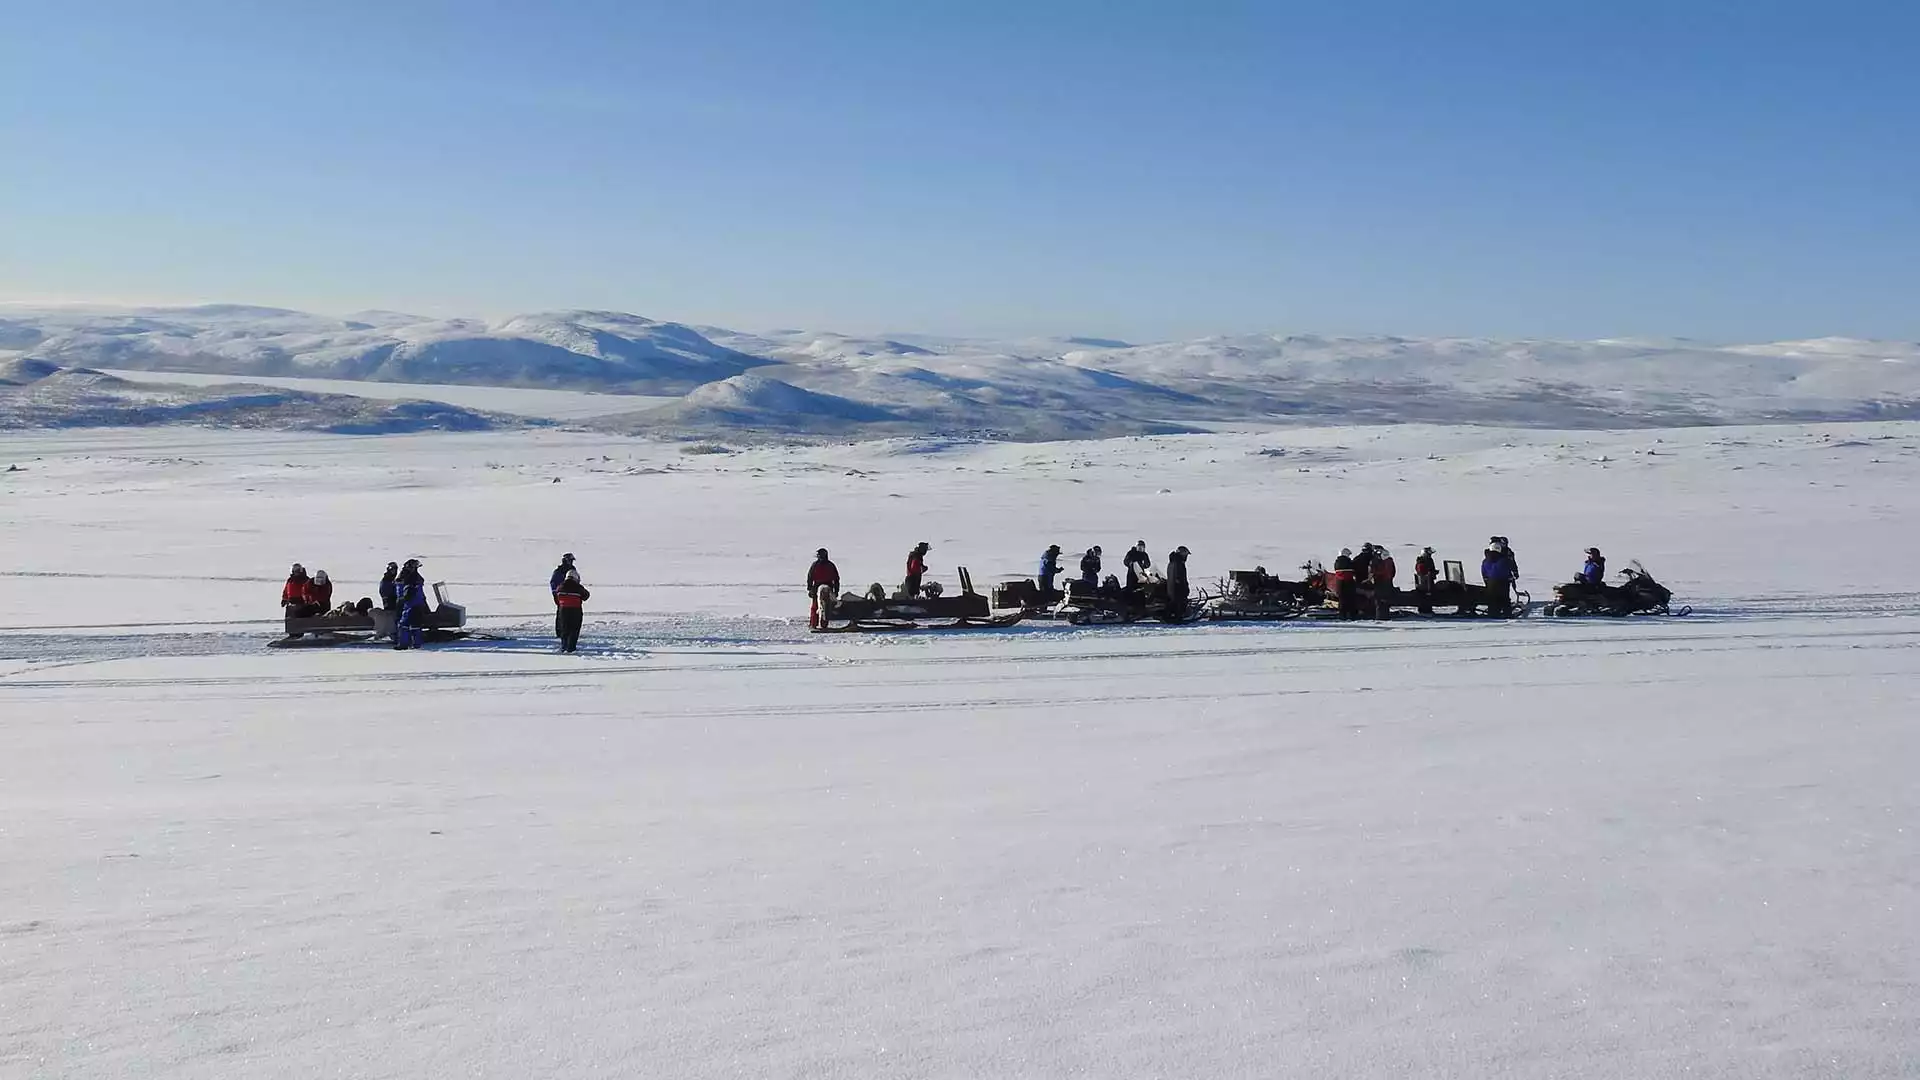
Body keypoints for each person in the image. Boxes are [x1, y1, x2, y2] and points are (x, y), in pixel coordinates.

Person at [394, 558, 429, 650]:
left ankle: (406, 644)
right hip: (413, 604)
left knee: (406, 624)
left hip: (411, 604)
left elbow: (407, 592)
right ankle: (413, 644)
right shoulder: (410, 577)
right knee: (412, 624)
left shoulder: (412, 578)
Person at [554, 568, 590, 653]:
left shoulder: (560, 586)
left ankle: (564, 646)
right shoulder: (578, 587)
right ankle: (571, 647)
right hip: (575, 610)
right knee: (574, 629)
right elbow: (586, 596)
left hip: (563, 610)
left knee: (564, 628)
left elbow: (556, 597)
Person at [806, 548, 840, 630]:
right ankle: (823, 624)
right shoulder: (831, 565)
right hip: (827, 587)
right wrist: (836, 590)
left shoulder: (815, 565)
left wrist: (810, 588)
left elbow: (810, 577)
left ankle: (813, 624)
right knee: (826, 607)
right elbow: (836, 579)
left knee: (815, 606)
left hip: (818, 587)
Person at [1481, 543, 1515, 617]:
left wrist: (1486, 580)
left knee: (1492, 598)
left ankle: (1493, 612)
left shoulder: (1485, 560)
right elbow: (1507, 570)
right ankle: (1507, 613)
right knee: (1505, 598)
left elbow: (1483, 571)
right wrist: (1510, 577)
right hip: (1503, 582)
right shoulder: (1504, 560)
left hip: (1490, 582)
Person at [550, 553, 577, 638]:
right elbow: (553, 582)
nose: (571, 562)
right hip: (561, 595)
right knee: (561, 613)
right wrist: (555, 593)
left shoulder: (573, 570)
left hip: (573, 595)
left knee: (572, 614)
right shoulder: (559, 570)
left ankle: (569, 631)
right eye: (570, 560)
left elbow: (576, 580)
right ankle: (560, 631)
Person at [1370, 547, 1396, 620]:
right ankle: (1384, 616)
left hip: (1380, 582)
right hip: (1387, 582)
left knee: (1380, 601)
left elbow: (1373, 572)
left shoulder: (1378, 561)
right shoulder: (1389, 561)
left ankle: (1380, 617)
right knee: (1384, 601)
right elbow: (1393, 572)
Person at [1332, 547, 1358, 620]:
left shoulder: (1337, 562)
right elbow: (1353, 570)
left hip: (1339, 583)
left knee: (1342, 600)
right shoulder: (1348, 562)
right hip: (1348, 583)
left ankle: (1342, 614)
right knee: (1350, 599)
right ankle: (1351, 614)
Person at [1165, 545, 1191, 618]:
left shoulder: (1172, 562)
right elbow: (1180, 578)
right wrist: (1185, 588)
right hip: (1177, 590)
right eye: (1185, 555)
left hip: (1172, 590)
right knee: (1179, 604)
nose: (1186, 557)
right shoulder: (1178, 563)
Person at [1413, 547, 1438, 615]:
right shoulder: (1422, 562)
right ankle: (1426, 609)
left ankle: (1427, 608)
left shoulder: (1427, 560)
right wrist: (1431, 573)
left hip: (1427, 581)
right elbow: (1423, 572)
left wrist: (1433, 572)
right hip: (1425, 583)